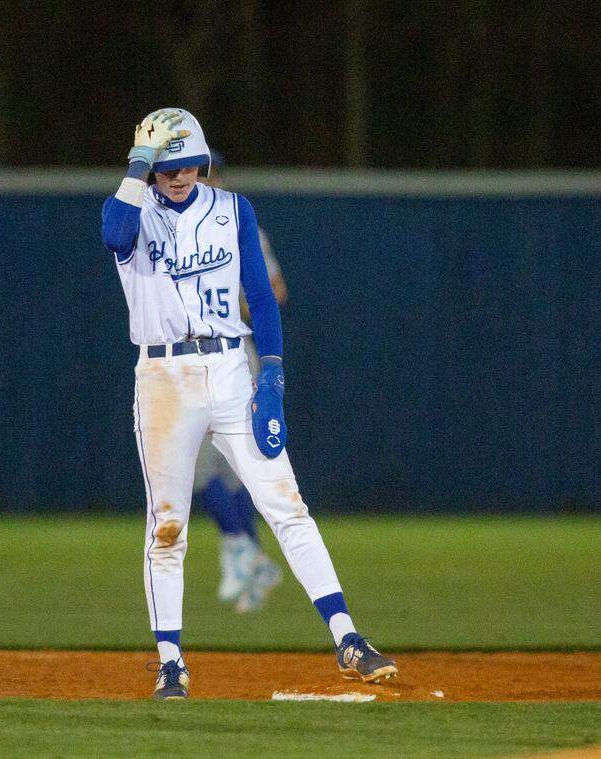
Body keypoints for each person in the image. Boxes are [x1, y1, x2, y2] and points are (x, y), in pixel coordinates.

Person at [100, 108, 396, 700]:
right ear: (149, 169)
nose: (178, 175)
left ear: (202, 161)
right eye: (166, 166)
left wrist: (274, 379)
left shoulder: (233, 209)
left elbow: (261, 296)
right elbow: (112, 232)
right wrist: (138, 162)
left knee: (287, 507)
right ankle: (170, 662)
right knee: (167, 527)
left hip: (231, 368)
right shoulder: (135, 212)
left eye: (187, 164)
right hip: (164, 375)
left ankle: (348, 638)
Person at [194, 150, 288, 613]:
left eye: (208, 173)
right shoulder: (176, 227)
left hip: (235, 357)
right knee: (210, 474)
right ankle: (250, 556)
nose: (203, 181)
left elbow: (275, 292)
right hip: (192, 362)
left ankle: (242, 551)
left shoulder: (239, 223)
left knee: (222, 471)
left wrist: (229, 302)